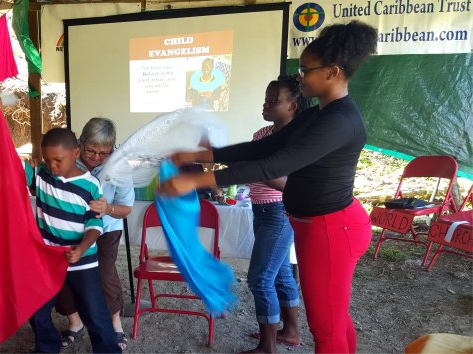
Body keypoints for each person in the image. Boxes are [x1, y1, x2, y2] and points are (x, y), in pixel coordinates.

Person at [160, 21, 378, 353]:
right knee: (334, 318)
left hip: (333, 229)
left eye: (306, 70)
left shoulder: (339, 121)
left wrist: (197, 178)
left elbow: (275, 165)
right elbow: (262, 149)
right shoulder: (318, 115)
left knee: (325, 327)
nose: (301, 77)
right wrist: (200, 156)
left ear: (333, 72)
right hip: (316, 226)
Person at [23, 127, 120, 353]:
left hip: (82, 259)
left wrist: (81, 247)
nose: (53, 166)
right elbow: (7, 161)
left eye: (58, 160)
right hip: (47, 258)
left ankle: (108, 349)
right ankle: (47, 347)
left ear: (75, 153)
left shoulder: (90, 186)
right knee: (35, 306)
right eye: (47, 160)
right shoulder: (42, 175)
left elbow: (95, 225)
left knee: (94, 311)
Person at [53, 118, 134, 350]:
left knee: (104, 275)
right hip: (67, 227)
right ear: (81, 142)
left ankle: (115, 325)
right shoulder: (68, 156)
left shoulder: (120, 166)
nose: (96, 157)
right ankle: (75, 322)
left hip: (106, 228)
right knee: (64, 272)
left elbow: (125, 208)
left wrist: (107, 208)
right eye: (91, 150)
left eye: (104, 153)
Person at [242, 75, 309, 353]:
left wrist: (253, 168)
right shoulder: (261, 135)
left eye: (273, 100)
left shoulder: (298, 140)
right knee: (280, 273)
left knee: (259, 278)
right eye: (266, 99)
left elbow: (290, 183)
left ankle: (267, 346)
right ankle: (290, 333)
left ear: (293, 105)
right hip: (260, 210)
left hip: (279, 212)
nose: (266, 105)